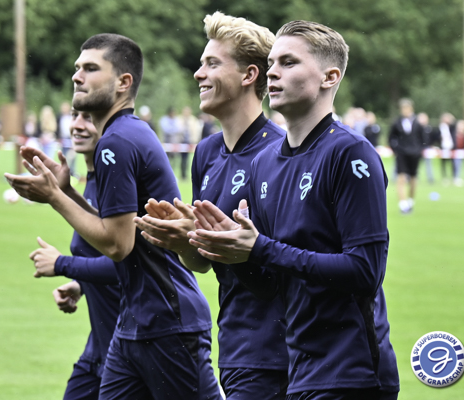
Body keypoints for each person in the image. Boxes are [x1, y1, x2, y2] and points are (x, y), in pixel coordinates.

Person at [188, 20, 399, 400]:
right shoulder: (265, 163)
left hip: (351, 373)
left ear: (330, 77)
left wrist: (259, 248)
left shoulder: (351, 153)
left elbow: (365, 271)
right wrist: (228, 247)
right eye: (271, 63)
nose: (272, 72)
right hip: (299, 369)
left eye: (288, 62)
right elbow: (269, 284)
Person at [5, 33, 221, 400]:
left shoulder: (117, 141)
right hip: (134, 321)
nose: (77, 76)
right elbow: (119, 228)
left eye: (91, 68)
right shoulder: (123, 135)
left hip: (166, 320)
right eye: (78, 68)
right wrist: (68, 191)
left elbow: (118, 245)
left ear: (123, 82)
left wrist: (54, 197)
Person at [134, 12, 289, 399]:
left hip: (278, 352)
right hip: (233, 347)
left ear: (249, 75)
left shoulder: (281, 154)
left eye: (212, 64)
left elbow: (283, 270)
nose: (198, 74)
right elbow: (202, 263)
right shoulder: (205, 153)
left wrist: (217, 241)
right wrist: (184, 241)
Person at [28, 109, 120, 400]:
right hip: (100, 346)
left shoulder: (117, 185)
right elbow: (102, 253)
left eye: (88, 117)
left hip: (132, 345)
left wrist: (62, 264)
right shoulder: (92, 181)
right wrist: (82, 284)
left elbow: (127, 263)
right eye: (74, 115)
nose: (77, 125)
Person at [388, 98, 425, 214]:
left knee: (413, 178)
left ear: (411, 108)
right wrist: (396, 150)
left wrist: (419, 150)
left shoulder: (418, 123)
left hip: (414, 154)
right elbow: (391, 138)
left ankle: (410, 201)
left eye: (407, 108)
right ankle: (403, 204)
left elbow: (423, 139)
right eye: (403, 108)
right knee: (401, 177)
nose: (405, 110)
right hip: (402, 153)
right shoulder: (396, 122)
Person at [176, 106, 201, 180]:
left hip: (189, 141)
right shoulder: (179, 119)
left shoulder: (193, 120)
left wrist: (194, 140)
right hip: (181, 141)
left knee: (188, 159)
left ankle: (186, 174)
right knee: (180, 159)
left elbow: (196, 131)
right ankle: (182, 174)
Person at [57, 102, 76, 176]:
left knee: (72, 156)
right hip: (63, 138)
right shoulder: (59, 117)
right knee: (63, 156)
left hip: (70, 138)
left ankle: (72, 172)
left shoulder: (72, 117)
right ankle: (64, 171)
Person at [438, 113, 456, 184]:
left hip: (451, 147)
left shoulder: (451, 127)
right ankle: (444, 177)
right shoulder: (440, 127)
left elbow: (454, 123)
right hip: (443, 147)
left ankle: (454, 177)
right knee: (443, 163)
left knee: (452, 163)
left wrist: (450, 117)